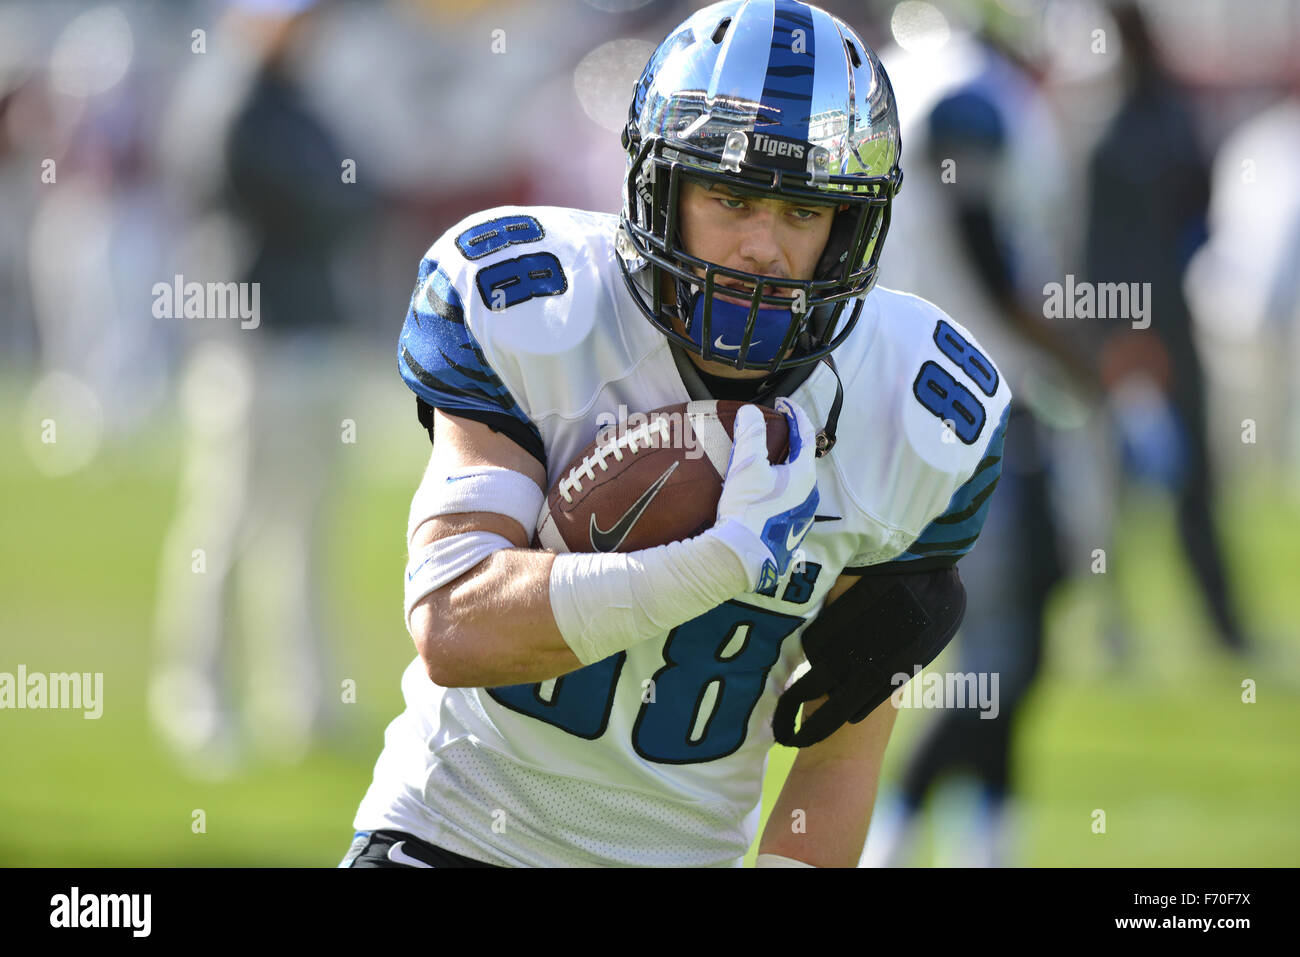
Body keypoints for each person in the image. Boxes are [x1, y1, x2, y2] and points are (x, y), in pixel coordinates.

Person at [342, 0, 1011, 869]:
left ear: (849, 227)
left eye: (802, 213)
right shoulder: (538, 308)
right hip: (453, 834)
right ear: (663, 187)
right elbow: (455, 624)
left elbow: (840, 754)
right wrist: (718, 563)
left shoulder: (913, 409)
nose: (763, 247)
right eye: (731, 197)